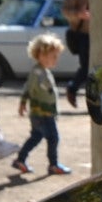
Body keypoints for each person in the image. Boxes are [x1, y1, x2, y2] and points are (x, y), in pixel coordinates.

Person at [12, 33, 70, 177]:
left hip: (45, 113)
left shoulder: (43, 71)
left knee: (38, 136)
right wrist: (23, 102)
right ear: (42, 55)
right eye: (54, 56)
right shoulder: (38, 72)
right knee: (51, 137)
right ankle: (53, 165)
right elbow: (29, 88)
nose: (56, 60)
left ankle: (21, 160)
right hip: (42, 113)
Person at [61, 0, 91, 108]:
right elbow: (65, 11)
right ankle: (72, 88)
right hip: (82, 35)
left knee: (93, 67)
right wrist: (78, 15)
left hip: (96, 35)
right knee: (86, 67)